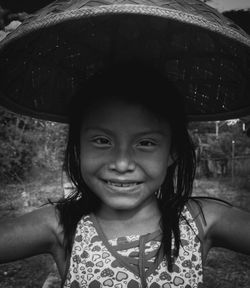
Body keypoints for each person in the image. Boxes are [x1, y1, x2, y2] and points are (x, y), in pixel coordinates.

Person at [0, 0, 250, 287]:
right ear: (78, 147)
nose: (121, 163)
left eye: (145, 143)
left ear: (173, 152)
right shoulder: (60, 226)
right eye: (102, 140)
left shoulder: (203, 221)